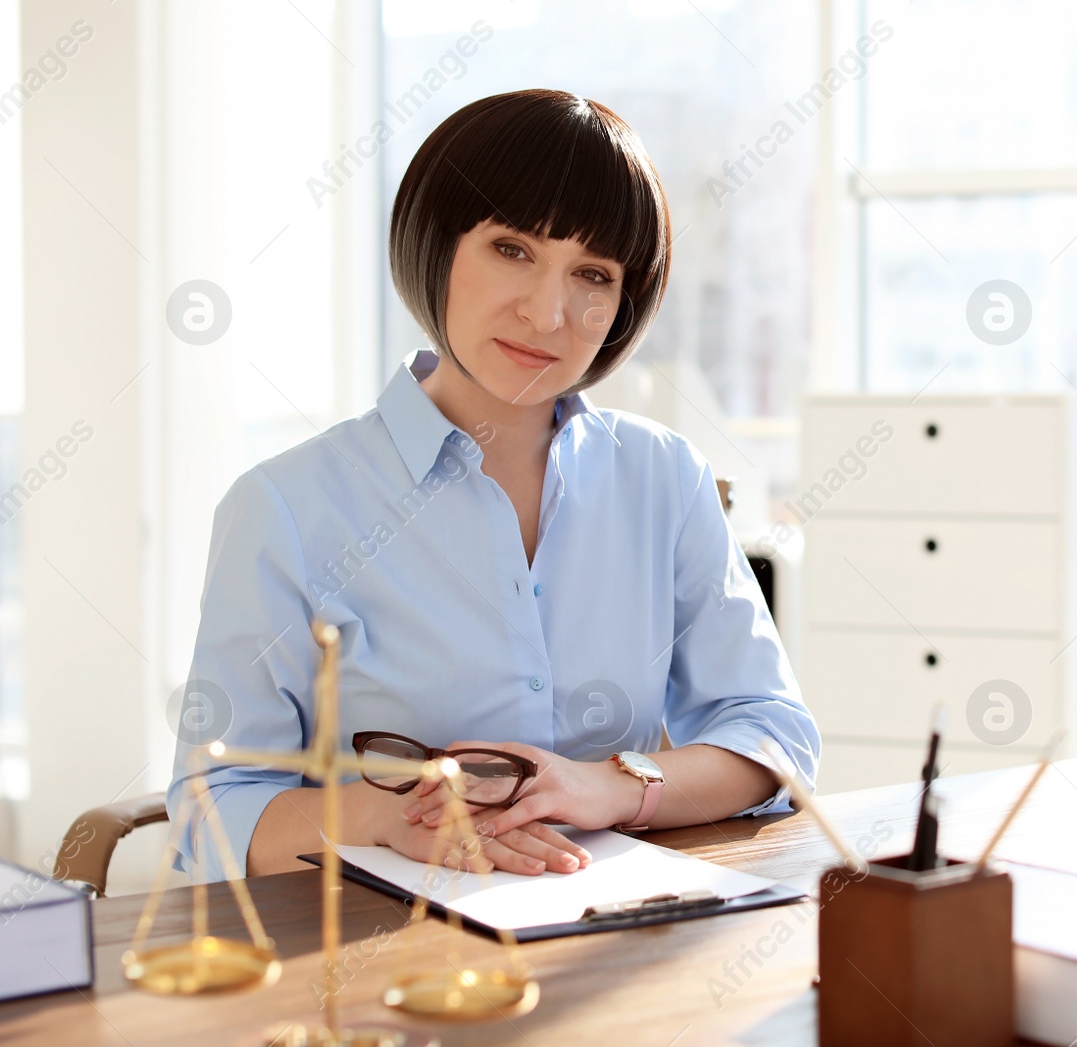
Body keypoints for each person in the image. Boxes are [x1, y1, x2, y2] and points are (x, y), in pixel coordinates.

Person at [167, 89, 819, 882]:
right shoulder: (287, 509)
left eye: (592, 273)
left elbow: (772, 731)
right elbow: (212, 805)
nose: (548, 313)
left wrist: (607, 786)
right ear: (436, 246)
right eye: (511, 249)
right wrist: (387, 818)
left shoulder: (663, 478)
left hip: (614, 926)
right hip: (374, 960)